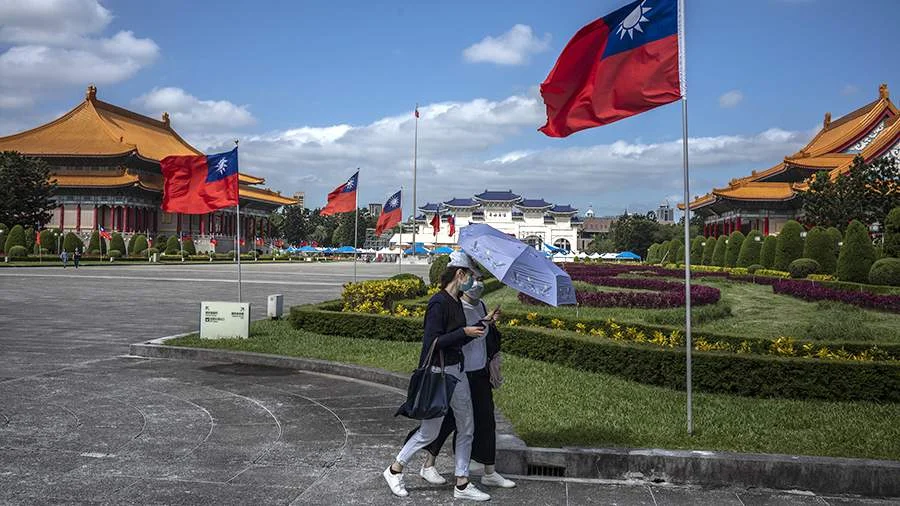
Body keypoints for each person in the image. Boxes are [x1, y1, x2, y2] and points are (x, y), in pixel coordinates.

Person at [383, 252, 491, 502]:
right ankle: (394, 469)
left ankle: (462, 483)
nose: (473, 283)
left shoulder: (456, 302)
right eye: (470, 277)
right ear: (459, 275)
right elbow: (433, 342)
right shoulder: (439, 303)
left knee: (467, 427)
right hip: (440, 374)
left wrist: (482, 323)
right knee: (429, 433)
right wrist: (463, 331)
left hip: (458, 372)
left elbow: (460, 336)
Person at [414, 274, 516, 489]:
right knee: (447, 421)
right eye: (473, 277)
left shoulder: (481, 305)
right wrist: (471, 330)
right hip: (459, 372)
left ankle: (489, 470)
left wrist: (490, 322)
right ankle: (427, 464)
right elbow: (452, 337)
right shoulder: (454, 306)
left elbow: (483, 333)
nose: (477, 283)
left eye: (480, 278)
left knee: (486, 420)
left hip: (479, 371)